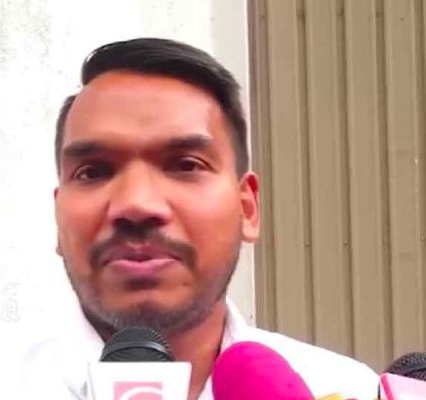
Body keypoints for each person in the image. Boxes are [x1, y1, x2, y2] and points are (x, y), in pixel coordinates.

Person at [23, 38, 378, 399]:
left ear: (247, 208)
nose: (137, 204)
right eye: (93, 172)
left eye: (186, 165)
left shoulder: (349, 389)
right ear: (58, 215)